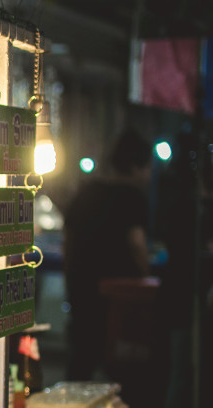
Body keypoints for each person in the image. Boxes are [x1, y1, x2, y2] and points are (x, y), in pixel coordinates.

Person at [62, 128, 153, 381]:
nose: (149, 175)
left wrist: (70, 278)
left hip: (83, 289)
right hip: (118, 297)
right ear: (136, 166)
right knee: (121, 370)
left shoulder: (87, 191)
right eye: (148, 167)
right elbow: (137, 244)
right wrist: (147, 279)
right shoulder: (134, 197)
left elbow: (67, 238)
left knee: (81, 361)